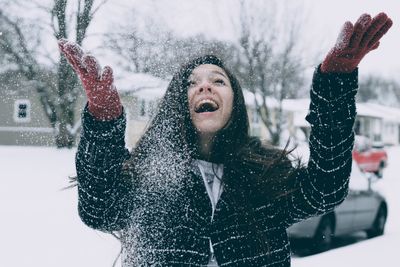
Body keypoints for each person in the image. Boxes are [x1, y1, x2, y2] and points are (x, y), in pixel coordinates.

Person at [59, 12, 392, 267]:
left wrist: (334, 85)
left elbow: (326, 190)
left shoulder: (264, 175)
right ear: (179, 103)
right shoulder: (153, 175)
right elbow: (98, 210)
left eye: (217, 80)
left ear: (235, 102)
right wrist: (103, 121)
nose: (205, 86)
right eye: (192, 83)